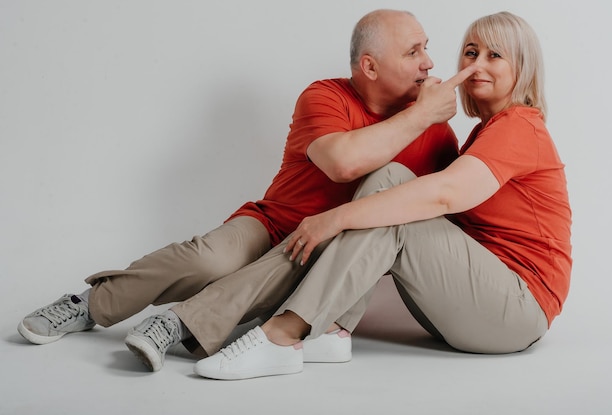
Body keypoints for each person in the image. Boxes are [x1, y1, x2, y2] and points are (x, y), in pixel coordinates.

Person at [18, 9, 471, 372]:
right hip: (271, 225)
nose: (430, 63)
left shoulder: (435, 132)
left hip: (327, 252)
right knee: (208, 260)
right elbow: (342, 162)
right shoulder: (326, 96)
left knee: (271, 289)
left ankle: (176, 327)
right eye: (414, 51)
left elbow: (439, 209)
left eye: (427, 48)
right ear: (369, 66)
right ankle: (89, 304)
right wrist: (422, 116)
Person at [193, 11, 573, 381]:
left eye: (495, 55)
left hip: (519, 310)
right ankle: (328, 330)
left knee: (394, 201)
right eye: (471, 52)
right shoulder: (483, 134)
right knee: (390, 178)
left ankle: (283, 334)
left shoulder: (520, 126)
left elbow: (445, 195)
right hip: (474, 304)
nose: (477, 65)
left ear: (522, 67)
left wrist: (336, 217)